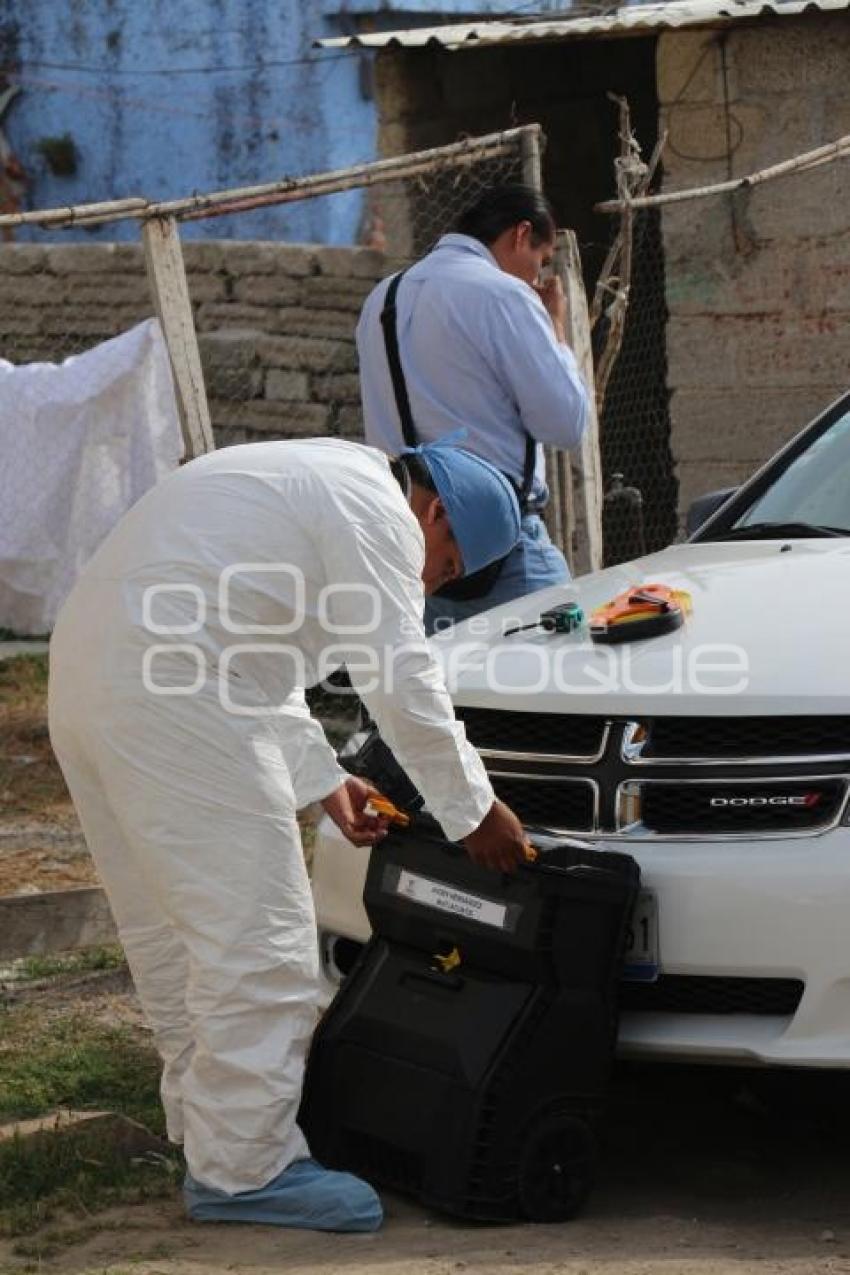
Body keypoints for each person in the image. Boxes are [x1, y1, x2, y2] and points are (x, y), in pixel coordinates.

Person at [47, 436, 529, 1234]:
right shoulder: (382, 514)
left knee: (176, 935)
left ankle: (208, 1134)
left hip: (94, 673)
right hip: (176, 688)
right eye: (446, 567)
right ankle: (247, 1169)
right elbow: (399, 674)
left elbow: (250, 649)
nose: (433, 580)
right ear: (436, 512)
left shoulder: (315, 475)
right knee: (261, 942)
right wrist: (474, 809)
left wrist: (324, 779)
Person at [357, 182, 590, 633]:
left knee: (435, 695)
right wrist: (556, 330)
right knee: (569, 676)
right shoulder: (502, 295)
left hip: (407, 543)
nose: (535, 278)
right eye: (539, 261)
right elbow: (565, 423)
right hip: (498, 542)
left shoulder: (382, 298)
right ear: (521, 234)